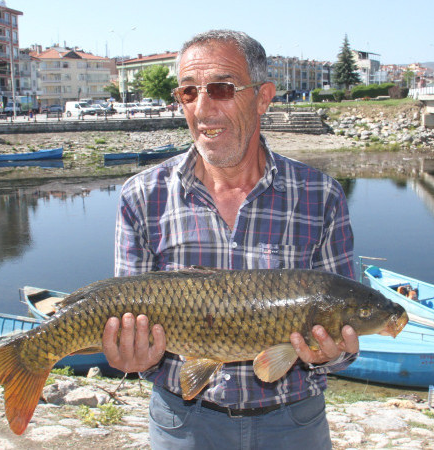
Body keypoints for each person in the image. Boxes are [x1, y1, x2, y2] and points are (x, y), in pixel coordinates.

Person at [102, 29, 359, 449]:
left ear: (263, 97)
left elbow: (347, 331)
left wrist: (336, 353)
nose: (203, 108)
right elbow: (127, 325)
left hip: (294, 423)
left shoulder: (321, 195)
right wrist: (133, 357)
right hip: (182, 424)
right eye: (188, 92)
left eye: (221, 89)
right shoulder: (142, 195)